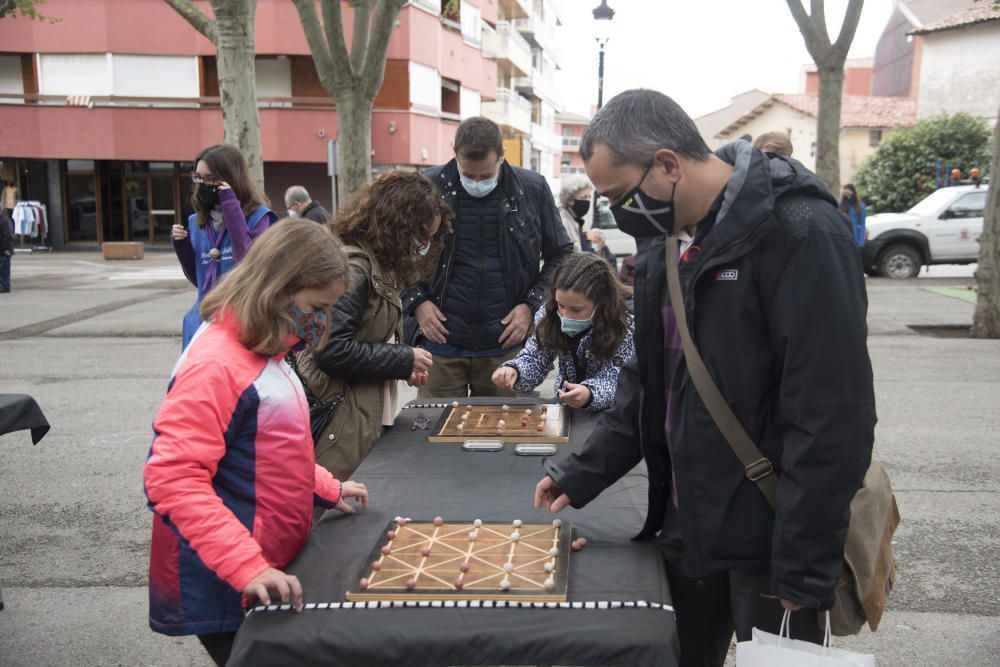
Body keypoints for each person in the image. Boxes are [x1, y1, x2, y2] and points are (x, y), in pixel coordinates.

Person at [533, 89, 875, 666]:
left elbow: (831, 414)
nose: (616, 213)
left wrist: (804, 562)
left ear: (667, 164)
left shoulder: (801, 232)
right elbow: (649, 378)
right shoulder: (663, 240)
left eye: (619, 195)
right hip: (686, 517)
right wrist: (583, 471)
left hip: (771, 533)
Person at [144, 219, 369, 666]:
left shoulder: (267, 343)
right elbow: (172, 478)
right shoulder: (216, 364)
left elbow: (273, 445)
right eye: (315, 306)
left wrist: (324, 486)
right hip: (225, 578)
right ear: (277, 288)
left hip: (256, 562)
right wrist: (247, 566)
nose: (322, 320)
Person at [293, 171, 451, 482]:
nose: (424, 245)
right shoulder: (356, 269)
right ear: (398, 226)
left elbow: (363, 337)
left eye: (430, 237)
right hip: (336, 414)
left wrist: (399, 364)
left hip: (354, 408)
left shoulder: (376, 263)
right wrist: (402, 359)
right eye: (421, 236)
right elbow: (331, 349)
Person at [402, 116, 573, 398]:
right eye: (468, 175)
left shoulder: (533, 189)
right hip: (440, 345)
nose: (476, 182)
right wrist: (417, 302)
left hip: (505, 348)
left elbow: (561, 255)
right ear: (453, 152)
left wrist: (530, 305)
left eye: (485, 175)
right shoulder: (425, 187)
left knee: (502, 436)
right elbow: (396, 252)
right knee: (433, 434)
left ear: (502, 156)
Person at [492, 252, 634, 411]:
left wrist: (589, 393)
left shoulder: (625, 325)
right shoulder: (548, 314)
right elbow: (536, 356)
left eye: (576, 310)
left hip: (611, 413)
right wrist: (515, 371)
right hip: (565, 405)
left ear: (601, 303)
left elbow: (618, 379)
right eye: (561, 305)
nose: (565, 315)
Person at [171, 144, 278, 349]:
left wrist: (230, 204)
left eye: (210, 179)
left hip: (242, 320)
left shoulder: (260, 218)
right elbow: (199, 280)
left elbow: (248, 262)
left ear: (230, 179)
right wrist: (182, 247)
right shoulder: (196, 222)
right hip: (202, 322)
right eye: (199, 178)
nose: (203, 185)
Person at [558, 176, 594, 252]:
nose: (587, 201)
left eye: (589, 197)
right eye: (584, 197)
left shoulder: (576, 220)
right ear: (570, 200)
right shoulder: (564, 222)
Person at [840, 183, 867, 247]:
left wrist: (860, 242)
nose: (846, 191)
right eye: (845, 189)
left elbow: (862, 224)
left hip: (855, 239)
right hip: (843, 238)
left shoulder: (860, 206)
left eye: (848, 189)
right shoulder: (841, 205)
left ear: (853, 191)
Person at [0, 208, 13, 293]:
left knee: (4, 269)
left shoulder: (4, 220)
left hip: (4, 250)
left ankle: (5, 286)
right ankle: (4, 286)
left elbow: (7, 236)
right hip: (2, 249)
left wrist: (6, 249)